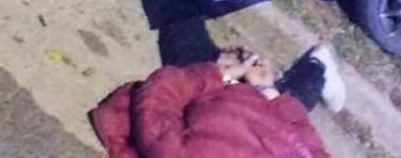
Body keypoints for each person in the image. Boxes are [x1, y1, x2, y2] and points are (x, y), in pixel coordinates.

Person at [89, 43, 346, 158]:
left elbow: (156, 102)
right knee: (298, 94)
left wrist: (219, 73)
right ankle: (317, 64)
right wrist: (267, 91)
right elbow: (309, 142)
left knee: (182, 34)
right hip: (261, 107)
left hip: (211, 97)